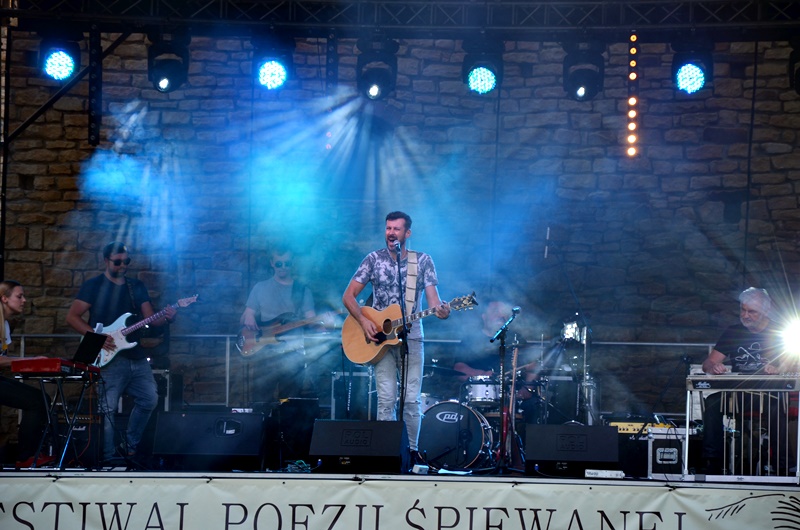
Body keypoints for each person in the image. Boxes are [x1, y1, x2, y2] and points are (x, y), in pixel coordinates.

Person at [342, 211, 450, 463]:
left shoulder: (422, 261)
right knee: (386, 399)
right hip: (380, 339)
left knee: (411, 399)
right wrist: (364, 321)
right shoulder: (373, 259)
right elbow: (348, 296)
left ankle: (412, 453)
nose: (391, 233)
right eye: (388, 228)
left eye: (396, 229)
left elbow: (434, 302)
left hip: (412, 337)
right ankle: (386, 453)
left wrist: (443, 311)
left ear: (407, 233)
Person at [66, 242, 176, 464]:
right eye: (117, 262)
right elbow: (72, 317)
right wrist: (97, 337)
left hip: (135, 354)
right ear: (106, 261)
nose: (123, 265)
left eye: (126, 261)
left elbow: (151, 319)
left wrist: (167, 317)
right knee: (107, 409)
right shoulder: (93, 286)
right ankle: (107, 459)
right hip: (108, 358)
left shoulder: (136, 286)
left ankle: (129, 446)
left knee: (149, 399)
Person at [700, 287, 791, 475]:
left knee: (777, 407)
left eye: (752, 311)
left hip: (768, 394)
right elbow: (707, 363)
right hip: (738, 395)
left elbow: (793, 364)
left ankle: (782, 466)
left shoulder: (780, 332)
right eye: (743, 309)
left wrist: (779, 369)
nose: (745, 315)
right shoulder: (733, 332)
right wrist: (713, 367)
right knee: (712, 402)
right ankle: (713, 463)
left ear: (766, 311)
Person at [240, 246, 317, 403]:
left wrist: (324, 322)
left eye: (287, 263)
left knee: (289, 402)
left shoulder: (302, 290)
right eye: (279, 263)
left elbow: (311, 319)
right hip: (265, 354)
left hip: (292, 354)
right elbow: (245, 317)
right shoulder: (260, 287)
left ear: (292, 263)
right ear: (272, 263)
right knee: (261, 401)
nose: (283, 267)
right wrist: (248, 316)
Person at [0, 280, 51, 467]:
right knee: (36, 401)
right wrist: (30, 361)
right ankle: (26, 457)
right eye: (19, 296)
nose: (24, 300)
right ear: (4, 298)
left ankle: (28, 456)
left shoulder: (5, 325)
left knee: (40, 398)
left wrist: (33, 364)